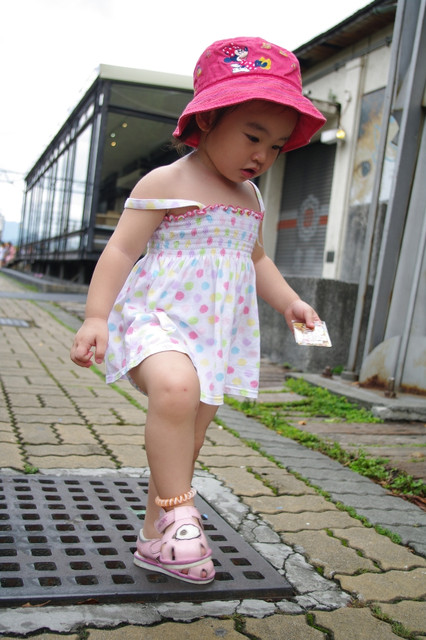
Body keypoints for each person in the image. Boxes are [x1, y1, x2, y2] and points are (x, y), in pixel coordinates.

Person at [70, 36, 326, 584]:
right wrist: (95, 316)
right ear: (208, 120)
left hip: (214, 336)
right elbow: (121, 250)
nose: (262, 156)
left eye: (276, 146)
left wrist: (290, 302)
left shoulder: (251, 198)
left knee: (186, 438)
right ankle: (184, 514)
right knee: (175, 390)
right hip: (156, 320)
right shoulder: (166, 181)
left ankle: (156, 538)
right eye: (252, 136)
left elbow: (256, 258)